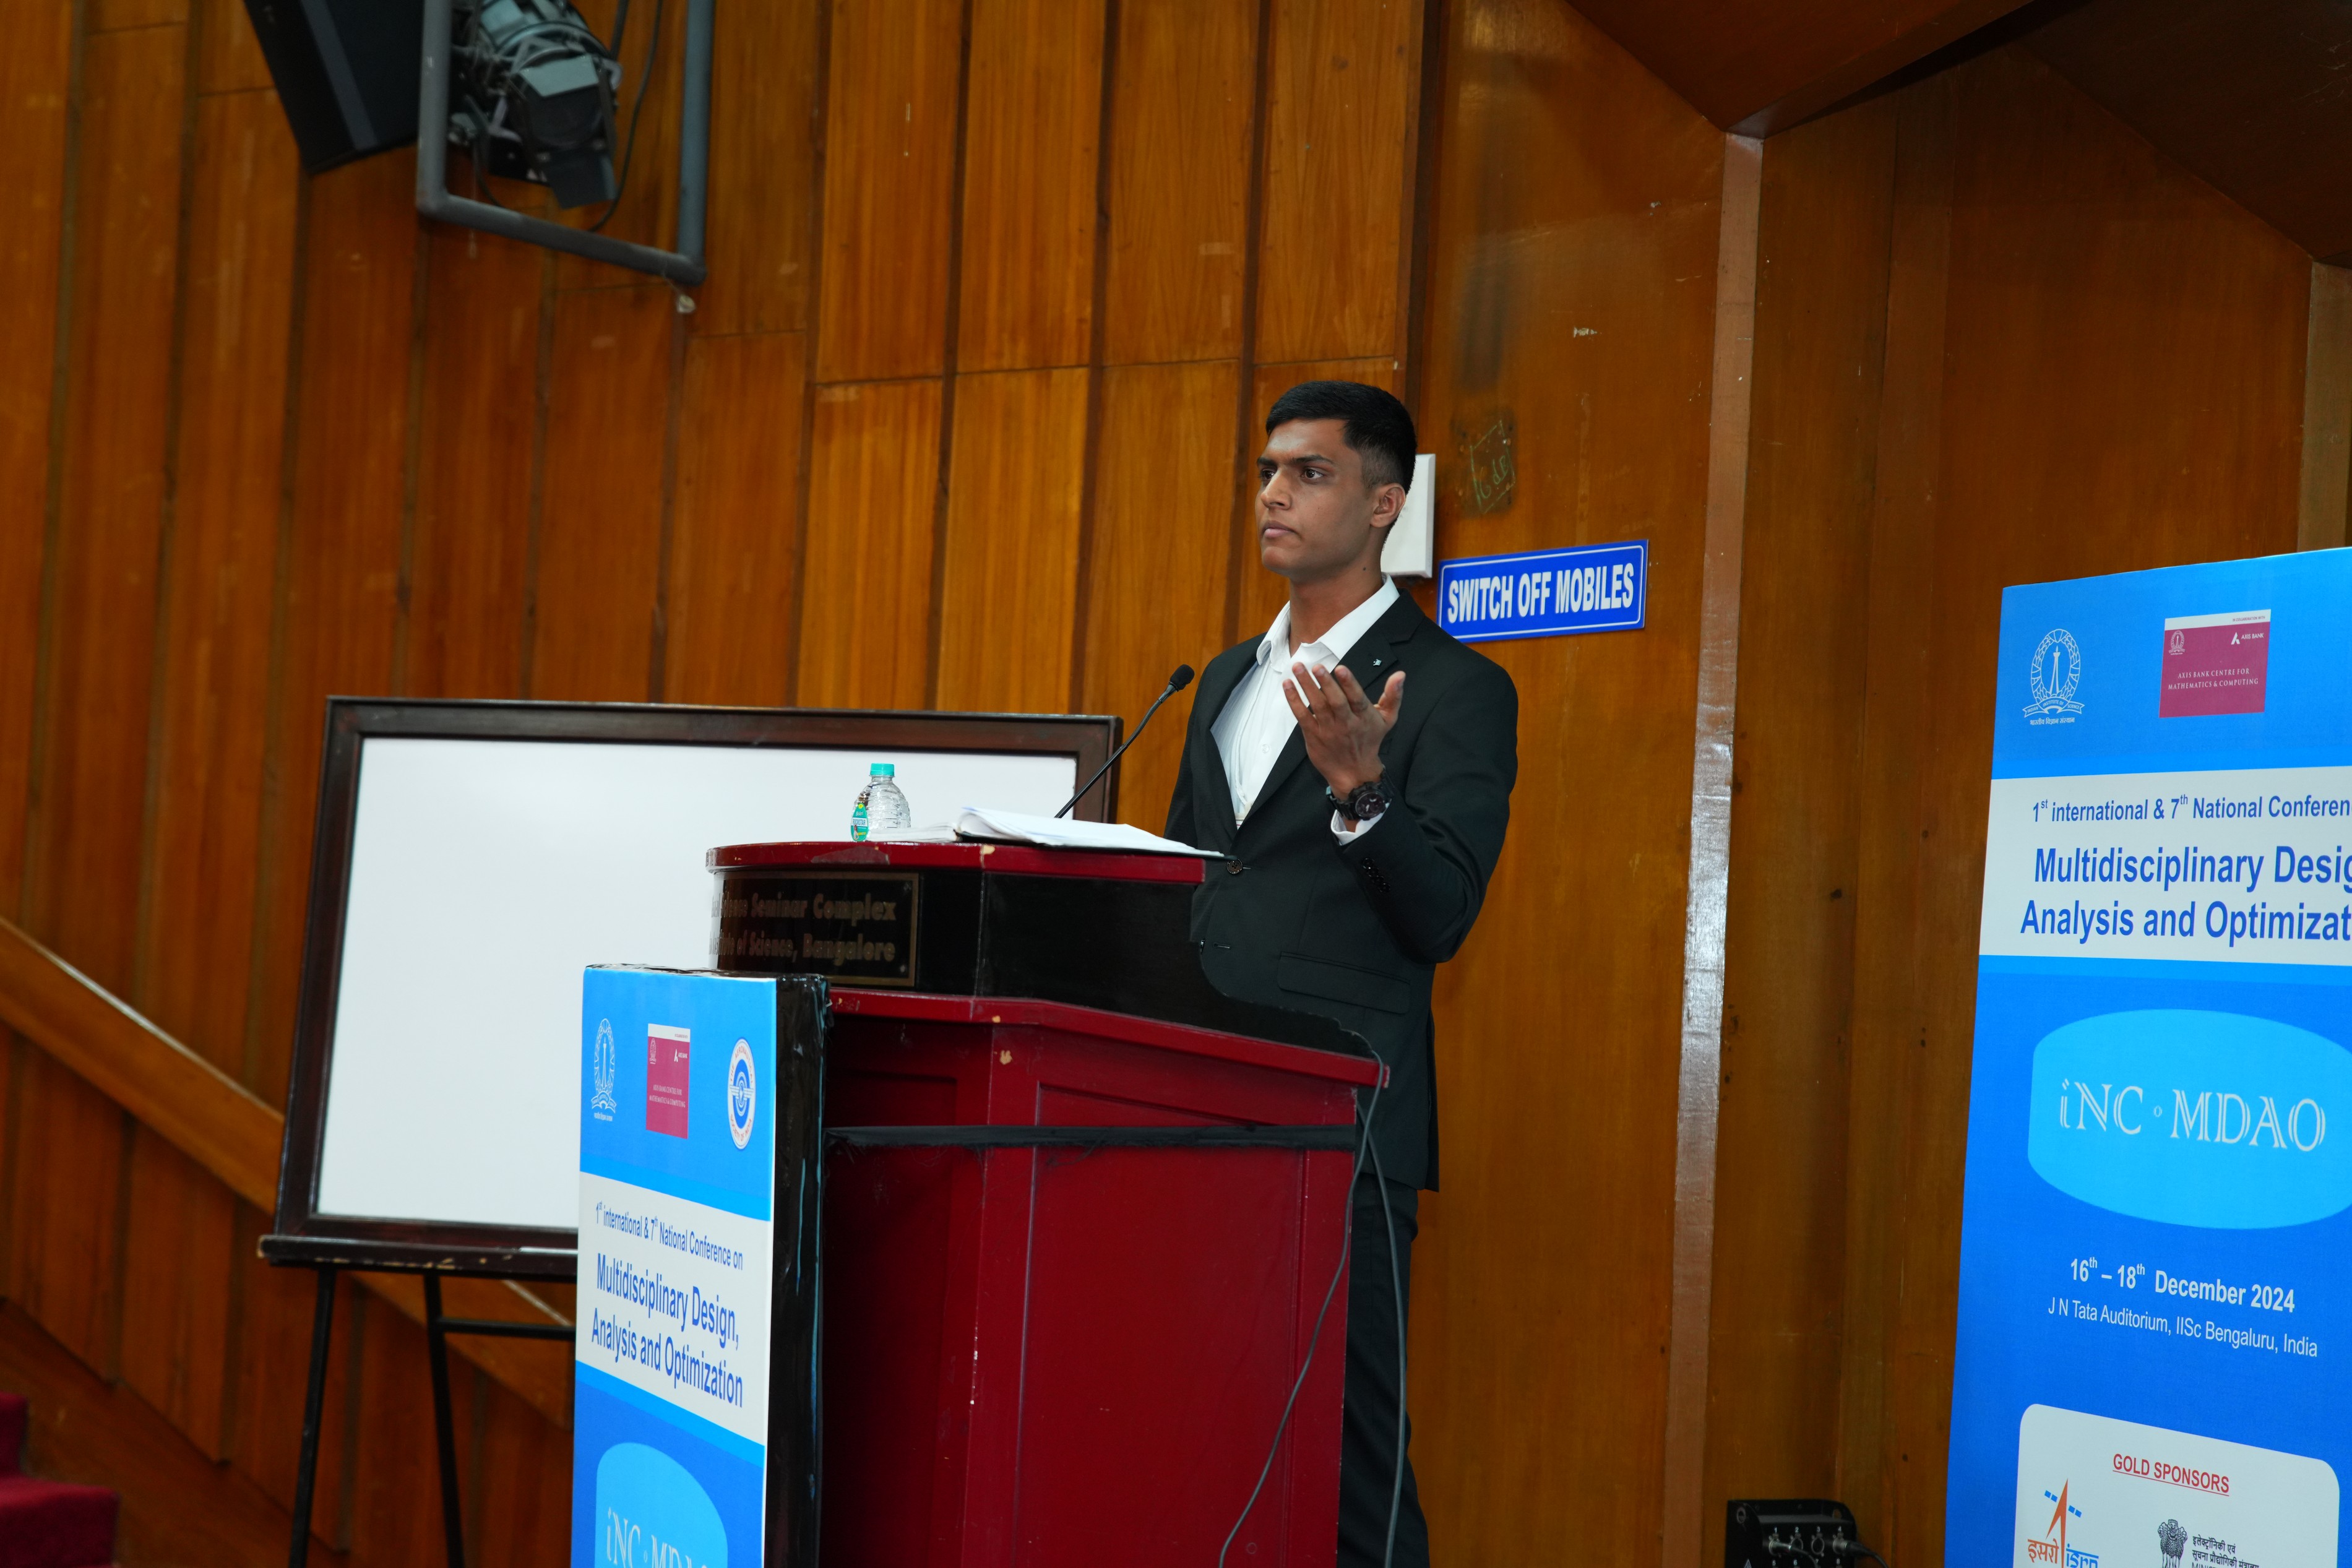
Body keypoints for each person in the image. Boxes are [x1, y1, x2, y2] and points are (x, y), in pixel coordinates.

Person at [1165, 381, 1518, 1566]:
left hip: (1343, 1121)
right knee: (1205, 1427)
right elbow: (1191, 882)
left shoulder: (1455, 689)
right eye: (1268, 470)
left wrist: (1364, 791)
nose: (1273, 493)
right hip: (1190, 1107)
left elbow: (1443, 913)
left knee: (1353, 1459)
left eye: (1308, 472)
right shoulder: (1225, 679)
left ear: (1383, 503)